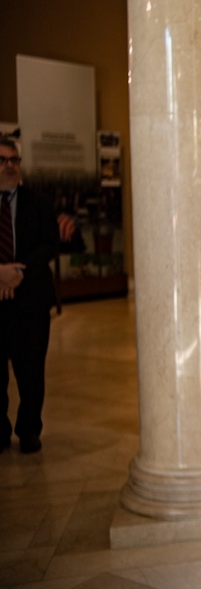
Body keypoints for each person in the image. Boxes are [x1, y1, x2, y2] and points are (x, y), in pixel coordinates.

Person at [0, 137, 59, 454]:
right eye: (3, 160)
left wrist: (17, 272)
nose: (10, 166)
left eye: (15, 160)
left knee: (31, 373)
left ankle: (29, 430)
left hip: (31, 302)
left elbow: (50, 244)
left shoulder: (39, 203)